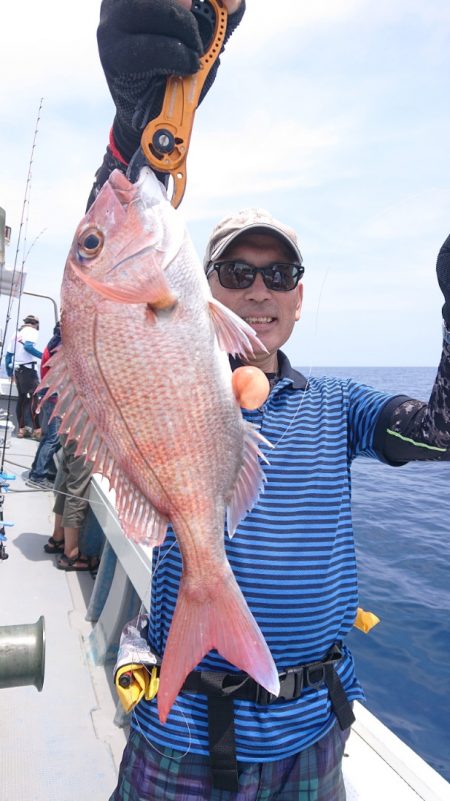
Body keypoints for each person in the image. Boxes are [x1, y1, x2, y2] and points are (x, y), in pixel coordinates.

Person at [88, 2, 450, 799]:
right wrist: (131, 122)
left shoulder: (338, 404)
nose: (259, 290)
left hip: (310, 734)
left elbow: (438, 437)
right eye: (238, 272)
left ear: (298, 295)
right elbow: (99, 307)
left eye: (278, 274)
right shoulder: (169, 350)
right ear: (200, 286)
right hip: (179, 723)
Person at [42, 436, 99, 571]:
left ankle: (57, 539)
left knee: (67, 484)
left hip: (71, 431)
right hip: (86, 436)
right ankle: (71, 555)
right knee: (76, 493)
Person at [26, 322, 62, 490]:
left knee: (48, 437)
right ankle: (38, 476)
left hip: (49, 395)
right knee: (54, 439)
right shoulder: (60, 347)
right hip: (54, 397)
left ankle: (37, 471)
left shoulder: (53, 342)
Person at [5, 314, 42, 439]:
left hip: (18, 371)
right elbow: (28, 347)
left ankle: (21, 430)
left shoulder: (16, 333)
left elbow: (8, 355)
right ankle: (37, 431)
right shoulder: (32, 331)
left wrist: (10, 373)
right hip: (29, 371)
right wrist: (44, 356)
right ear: (36, 324)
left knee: (22, 399)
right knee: (33, 399)